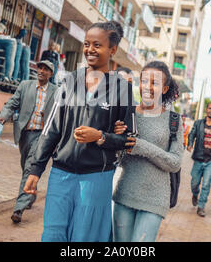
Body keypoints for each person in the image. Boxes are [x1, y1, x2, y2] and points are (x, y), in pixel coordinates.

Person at [22, 21, 135, 242]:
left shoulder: (123, 89)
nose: (89, 50)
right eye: (86, 44)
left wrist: (101, 137)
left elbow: (128, 139)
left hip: (97, 177)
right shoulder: (69, 82)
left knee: (85, 237)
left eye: (97, 45)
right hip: (61, 174)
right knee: (53, 233)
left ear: (112, 50)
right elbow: (51, 130)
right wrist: (35, 170)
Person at [111, 61, 183, 242]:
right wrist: (116, 138)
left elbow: (175, 163)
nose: (148, 87)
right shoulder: (127, 113)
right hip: (125, 192)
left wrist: (140, 145)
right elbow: (117, 158)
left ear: (164, 89)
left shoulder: (173, 120)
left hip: (155, 199)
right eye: (144, 81)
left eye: (155, 83)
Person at [0, 61, 57, 223]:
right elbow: (12, 103)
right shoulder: (25, 85)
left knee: (30, 166)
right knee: (26, 166)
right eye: (40, 68)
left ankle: (19, 208)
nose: (42, 71)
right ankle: (31, 193)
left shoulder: (56, 91)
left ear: (51, 74)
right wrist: (3, 117)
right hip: (25, 134)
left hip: (43, 136)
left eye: (46, 69)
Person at [187, 102, 211, 217]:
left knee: (206, 184)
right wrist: (190, 144)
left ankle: (201, 207)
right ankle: (195, 194)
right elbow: (192, 134)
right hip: (198, 158)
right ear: (206, 110)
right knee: (194, 183)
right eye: (210, 108)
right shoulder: (198, 123)